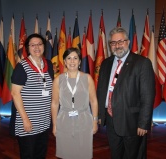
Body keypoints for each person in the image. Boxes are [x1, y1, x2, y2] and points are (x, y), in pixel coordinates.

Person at [97, 27, 155, 159]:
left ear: (128, 42)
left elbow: (148, 95)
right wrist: (101, 114)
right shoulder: (106, 64)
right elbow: (101, 90)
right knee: (116, 154)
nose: (117, 46)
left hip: (132, 122)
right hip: (111, 120)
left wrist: (143, 123)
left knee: (133, 155)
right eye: (113, 43)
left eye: (120, 41)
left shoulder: (142, 63)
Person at [11, 33, 54, 159]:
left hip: (44, 120)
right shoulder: (22, 67)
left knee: (41, 153)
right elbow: (15, 93)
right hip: (27, 121)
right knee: (28, 155)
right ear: (27, 48)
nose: (37, 47)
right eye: (33, 45)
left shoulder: (49, 64)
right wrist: (25, 119)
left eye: (40, 44)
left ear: (44, 46)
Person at [51, 47, 98, 159]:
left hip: (84, 120)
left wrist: (95, 121)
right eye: (69, 58)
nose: (72, 61)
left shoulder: (87, 78)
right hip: (64, 120)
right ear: (65, 62)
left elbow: (94, 101)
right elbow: (54, 103)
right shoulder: (58, 80)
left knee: (83, 153)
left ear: (80, 61)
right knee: (66, 153)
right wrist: (54, 125)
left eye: (75, 58)